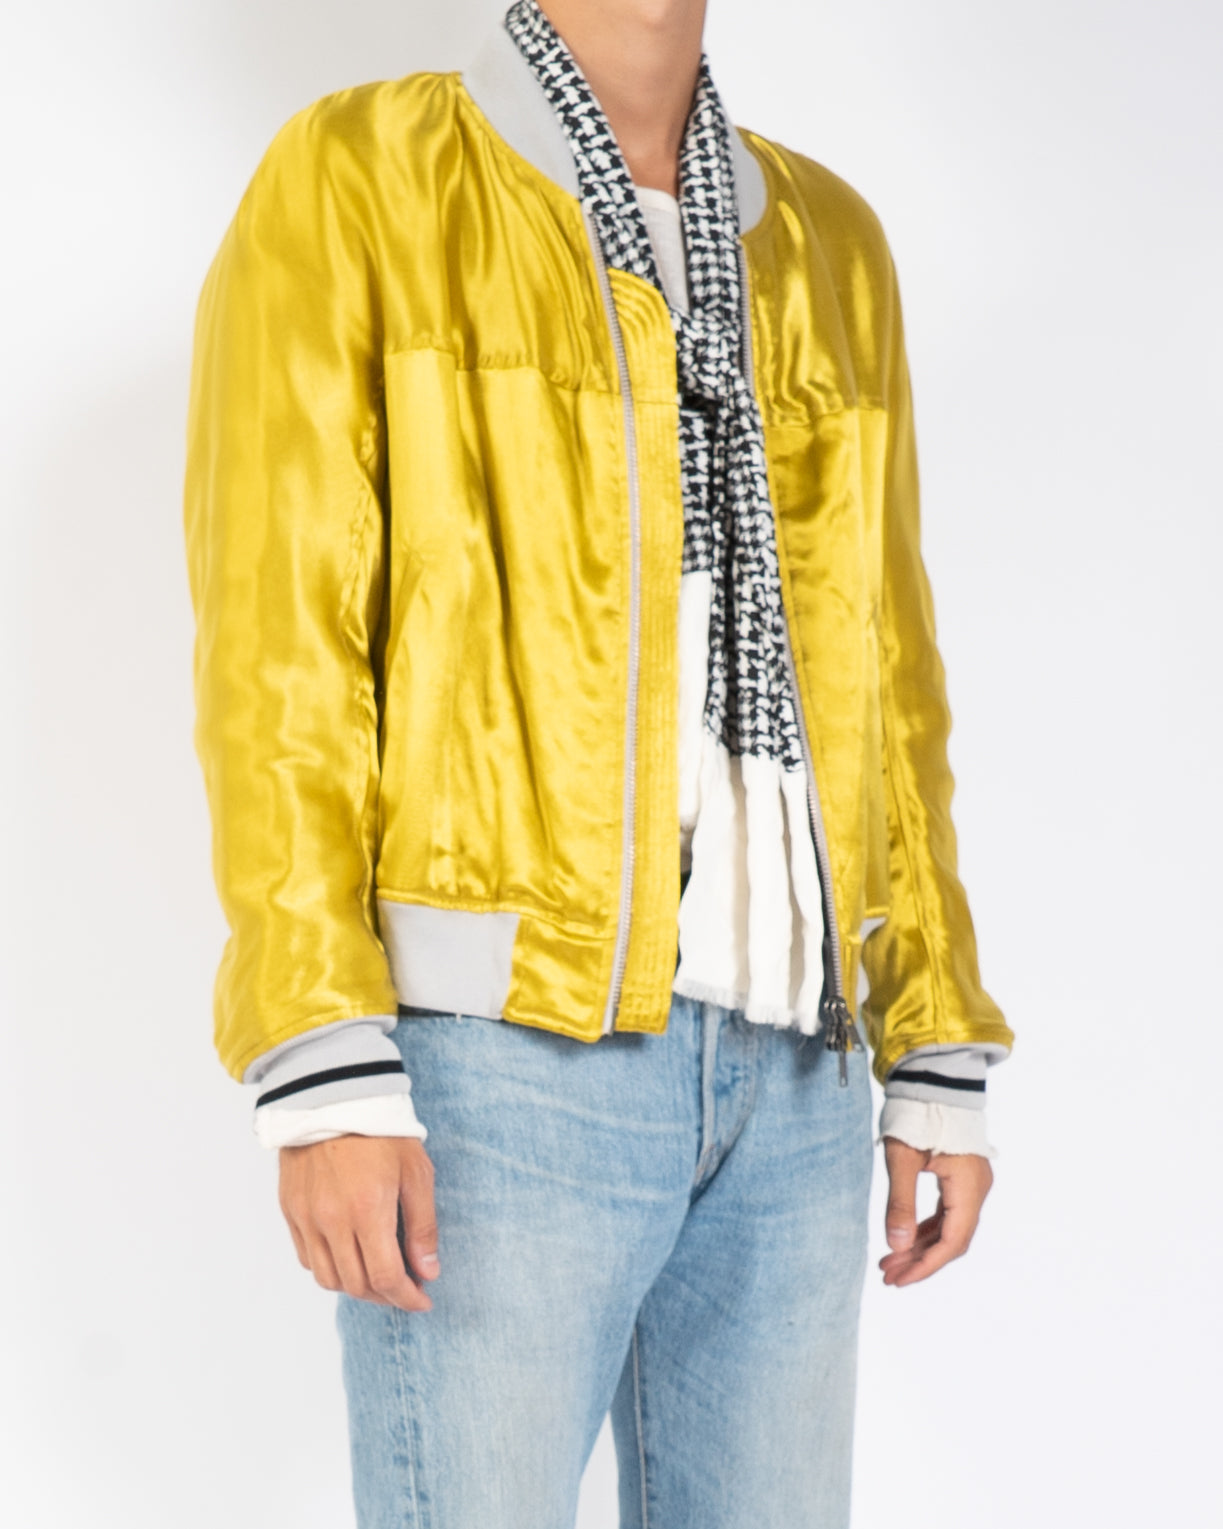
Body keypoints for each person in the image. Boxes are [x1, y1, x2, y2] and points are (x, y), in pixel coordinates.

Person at [184, 1, 1014, 1523]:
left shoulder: (828, 241)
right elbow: (282, 641)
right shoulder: (361, 173)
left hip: (794, 1070)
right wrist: (320, 1058)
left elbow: (887, 665)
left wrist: (933, 1037)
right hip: (503, 1060)